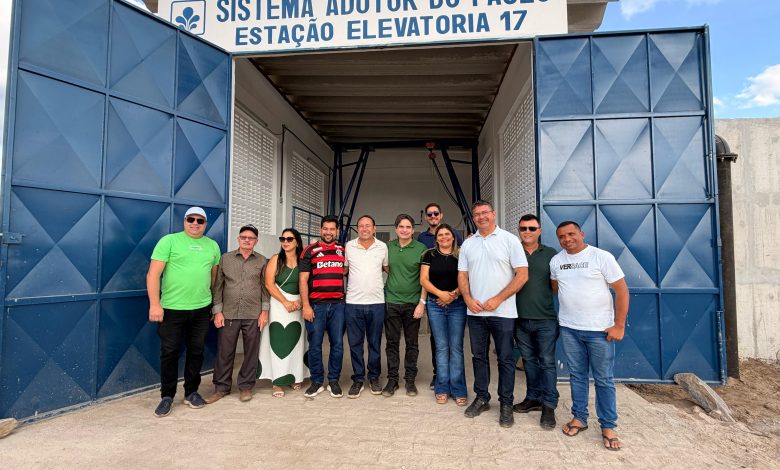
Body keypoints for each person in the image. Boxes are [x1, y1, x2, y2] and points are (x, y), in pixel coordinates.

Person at [550, 221, 629, 451]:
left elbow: (622, 290)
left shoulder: (601, 257)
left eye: (571, 234)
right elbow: (556, 287)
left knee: (604, 379)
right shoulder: (557, 261)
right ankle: (580, 418)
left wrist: (619, 325)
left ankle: (608, 425)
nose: (567, 239)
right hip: (569, 328)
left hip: (599, 331)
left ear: (581, 234)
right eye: (562, 236)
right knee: (577, 376)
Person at [457, 200, 528, 428]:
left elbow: (522, 275)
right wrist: (467, 298)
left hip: (504, 312)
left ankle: (506, 403)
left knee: (505, 359)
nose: (481, 217)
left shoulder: (509, 240)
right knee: (479, 357)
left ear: (493, 214)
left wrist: (498, 298)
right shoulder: (468, 244)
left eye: (485, 213)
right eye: (477, 214)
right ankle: (482, 397)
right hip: (475, 312)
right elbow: (462, 275)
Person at [147, 207, 221, 417]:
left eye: (200, 220)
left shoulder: (212, 246)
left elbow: (213, 278)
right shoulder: (169, 241)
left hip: (201, 309)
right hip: (172, 309)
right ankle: (167, 396)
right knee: (169, 352)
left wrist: (213, 305)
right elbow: (153, 275)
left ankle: (191, 392)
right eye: (191, 219)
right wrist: (155, 304)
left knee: (196, 351)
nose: (195, 223)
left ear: (205, 224)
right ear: (184, 221)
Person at [206, 224, 270, 404]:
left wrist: (264, 311)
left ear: (256, 241)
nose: (247, 240)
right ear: (238, 239)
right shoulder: (226, 259)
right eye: (244, 237)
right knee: (225, 352)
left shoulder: (262, 261)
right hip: (229, 313)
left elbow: (265, 288)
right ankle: (221, 388)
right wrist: (217, 312)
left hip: (253, 313)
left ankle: (246, 386)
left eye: (251, 238)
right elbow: (217, 287)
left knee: (251, 351)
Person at [511, 214, 559, 429]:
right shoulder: (512, 252)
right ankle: (533, 398)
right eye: (523, 228)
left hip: (545, 319)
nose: (527, 232)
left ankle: (549, 405)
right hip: (520, 318)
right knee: (528, 361)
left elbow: (556, 286)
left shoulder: (550, 254)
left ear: (539, 230)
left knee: (546, 362)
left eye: (532, 228)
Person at [299, 215, 347, 399]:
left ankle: (333, 381)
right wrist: (306, 306)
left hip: (338, 306)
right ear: (320, 230)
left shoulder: (343, 250)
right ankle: (317, 381)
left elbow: (347, 270)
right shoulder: (309, 251)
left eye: (332, 229)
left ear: (337, 231)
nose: (328, 232)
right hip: (315, 306)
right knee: (315, 345)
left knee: (337, 345)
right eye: (325, 229)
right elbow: (303, 280)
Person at [420, 224, 467, 406]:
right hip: (435, 305)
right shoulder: (429, 254)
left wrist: (453, 295)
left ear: (453, 237)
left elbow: (467, 278)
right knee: (441, 347)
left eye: (448, 234)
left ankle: (458, 388)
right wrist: (441, 294)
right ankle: (442, 387)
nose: (444, 237)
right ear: (436, 238)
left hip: (458, 304)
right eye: (441, 235)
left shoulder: (461, 255)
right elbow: (424, 279)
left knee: (456, 347)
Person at [259, 228, 309, 397]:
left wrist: (302, 301)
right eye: (283, 239)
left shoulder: (304, 259)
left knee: (297, 342)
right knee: (278, 342)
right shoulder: (276, 259)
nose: (285, 242)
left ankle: (295, 375)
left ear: (297, 241)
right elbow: (269, 284)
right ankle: (277, 381)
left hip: (298, 304)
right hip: (280, 304)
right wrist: (285, 302)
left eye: (289, 239)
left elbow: (310, 281)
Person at [383, 214, 428, 397]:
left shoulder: (421, 248)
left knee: (412, 344)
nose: (404, 230)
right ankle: (392, 380)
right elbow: (385, 267)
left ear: (412, 229)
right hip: (392, 302)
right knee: (392, 343)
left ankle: (410, 381)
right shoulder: (387, 247)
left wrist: (421, 303)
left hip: (412, 303)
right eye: (401, 226)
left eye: (408, 227)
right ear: (396, 229)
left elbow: (425, 279)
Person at [344, 215, 389, 398]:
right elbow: (344, 270)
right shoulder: (349, 246)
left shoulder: (382, 247)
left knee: (374, 343)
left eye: (368, 225)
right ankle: (358, 379)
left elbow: (388, 268)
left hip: (377, 302)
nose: (364, 229)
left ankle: (374, 377)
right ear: (357, 229)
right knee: (354, 344)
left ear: (374, 228)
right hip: (353, 303)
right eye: (361, 226)